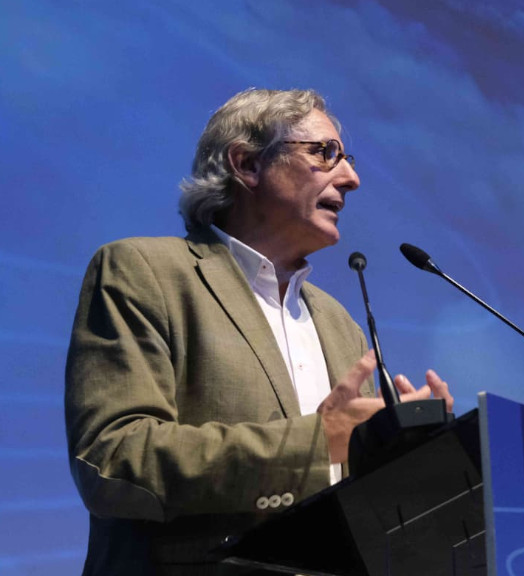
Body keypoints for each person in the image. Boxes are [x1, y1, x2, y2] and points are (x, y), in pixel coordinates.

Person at [64, 88, 453, 575]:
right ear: (247, 164)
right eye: (324, 153)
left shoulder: (340, 326)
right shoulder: (144, 272)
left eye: (346, 159)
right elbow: (113, 460)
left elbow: (352, 498)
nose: (351, 178)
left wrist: (404, 454)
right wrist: (319, 441)